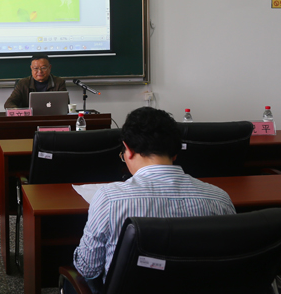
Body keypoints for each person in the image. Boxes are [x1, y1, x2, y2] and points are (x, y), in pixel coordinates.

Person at [65, 107, 236, 294]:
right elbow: (229, 266)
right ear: (175, 153)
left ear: (129, 150)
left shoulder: (109, 199)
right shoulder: (219, 199)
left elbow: (88, 269)